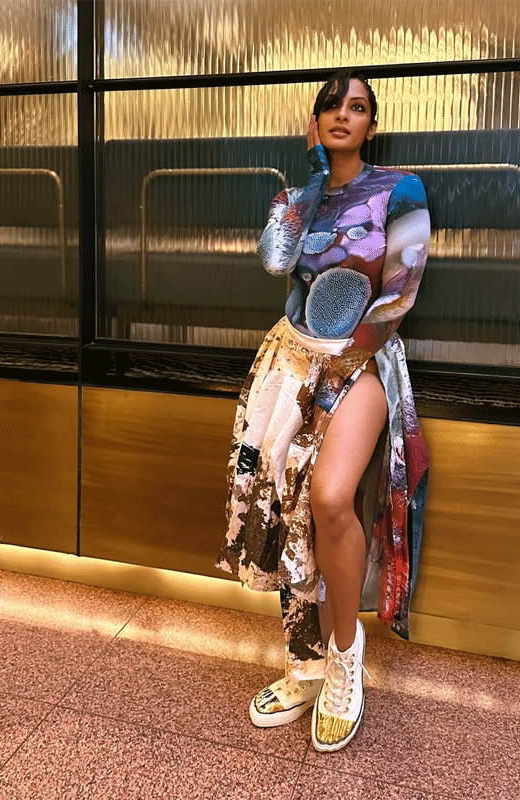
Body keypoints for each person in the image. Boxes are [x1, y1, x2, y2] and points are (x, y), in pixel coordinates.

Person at [216, 68, 430, 753]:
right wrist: (310, 178)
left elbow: (400, 293)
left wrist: (345, 358)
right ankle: (303, 663)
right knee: (286, 507)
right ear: (315, 122)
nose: (343, 114)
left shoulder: (400, 188)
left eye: (357, 107)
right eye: (332, 106)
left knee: (332, 498)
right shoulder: (296, 195)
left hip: (362, 357)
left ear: (372, 123)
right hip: (289, 358)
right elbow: (275, 261)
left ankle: (343, 658)